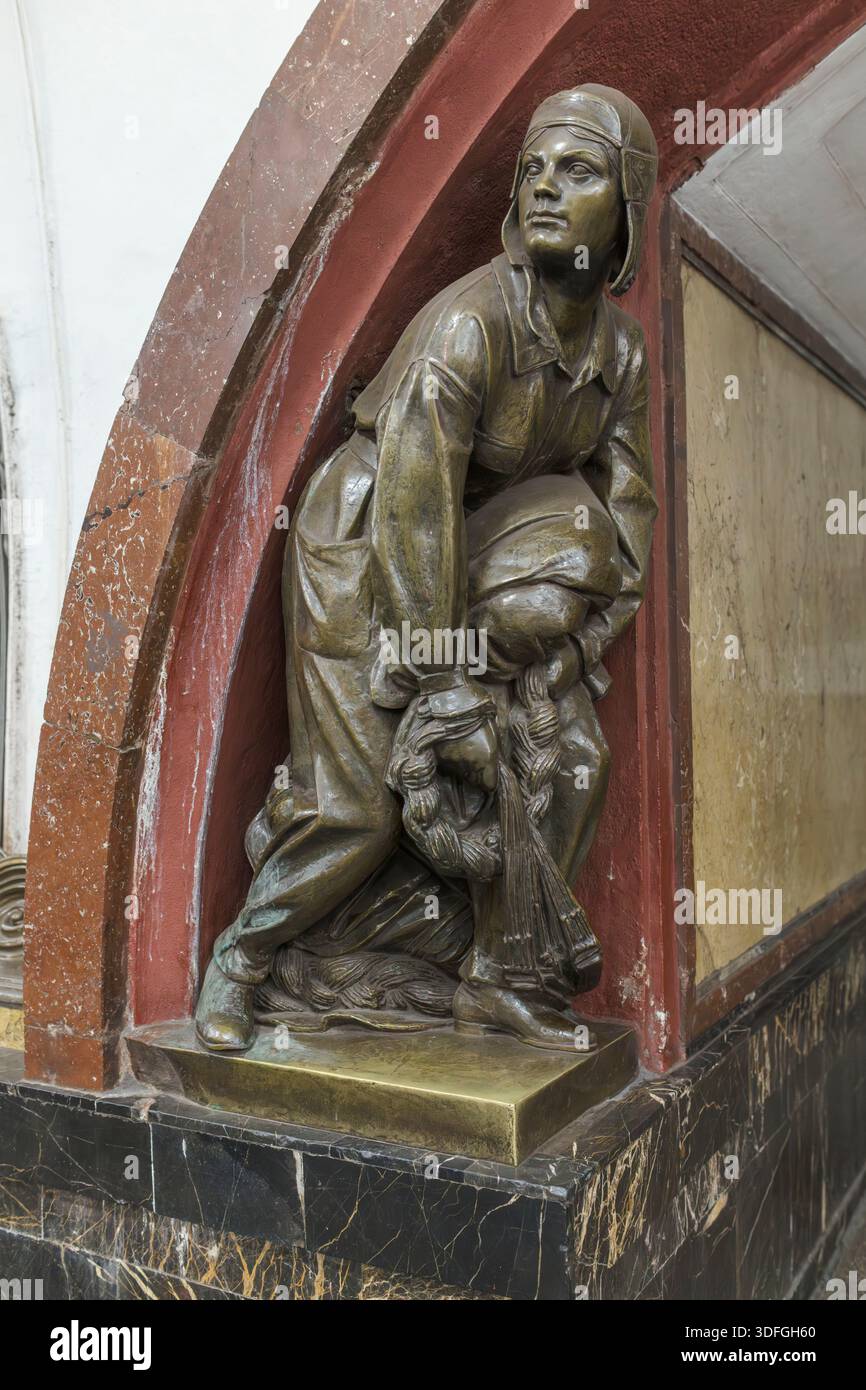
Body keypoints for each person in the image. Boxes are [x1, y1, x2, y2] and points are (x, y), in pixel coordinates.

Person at [195, 84, 658, 1052]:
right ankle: (242, 954)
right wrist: (448, 689)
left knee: (574, 756)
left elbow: (624, 526)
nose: (541, 188)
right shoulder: (470, 326)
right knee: (360, 807)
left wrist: (571, 659)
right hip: (365, 545)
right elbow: (412, 501)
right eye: (530, 169)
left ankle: (497, 979)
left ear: (624, 207)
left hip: (464, 546)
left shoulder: (620, 356)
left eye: (574, 172)